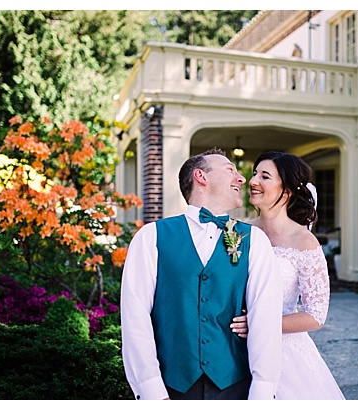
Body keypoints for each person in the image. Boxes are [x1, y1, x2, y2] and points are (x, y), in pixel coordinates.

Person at [121, 148, 282, 400]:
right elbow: (135, 318)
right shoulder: (151, 237)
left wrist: (262, 391)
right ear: (201, 176)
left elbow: (266, 319)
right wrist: (151, 390)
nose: (241, 179)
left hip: (236, 386)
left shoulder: (255, 241)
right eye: (230, 170)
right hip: (170, 387)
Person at [230, 151, 345, 400]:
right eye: (255, 174)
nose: (253, 181)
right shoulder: (239, 234)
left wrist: (260, 325)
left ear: (288, 190)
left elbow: (315, 316)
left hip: (283, 353)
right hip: (233, 346)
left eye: (265, 176)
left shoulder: (304, 242)